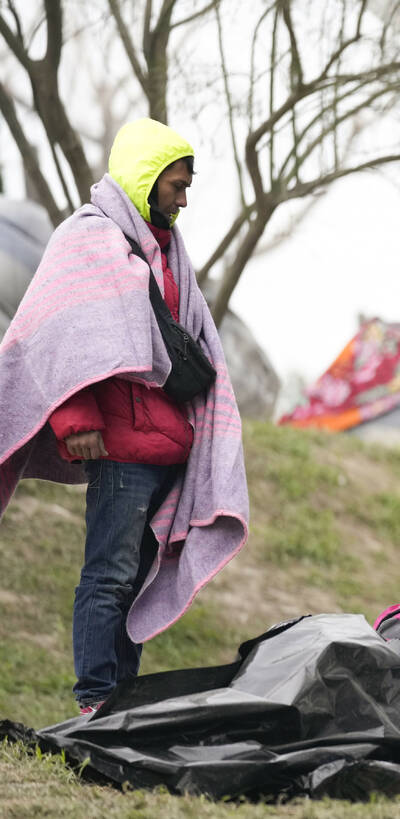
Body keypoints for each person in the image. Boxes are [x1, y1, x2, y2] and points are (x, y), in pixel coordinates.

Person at [0, 118, 249, 715]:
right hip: (116, 447)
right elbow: (60, 336)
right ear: (146, 177)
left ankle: (124, 706)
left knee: (134, 583)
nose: (184, 198)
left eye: (188, 186)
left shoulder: (169, 249)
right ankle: (95, 703)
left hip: (168, 447)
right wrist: (73, 418)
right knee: (108, 576)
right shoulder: (88, 237)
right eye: (177, 184)